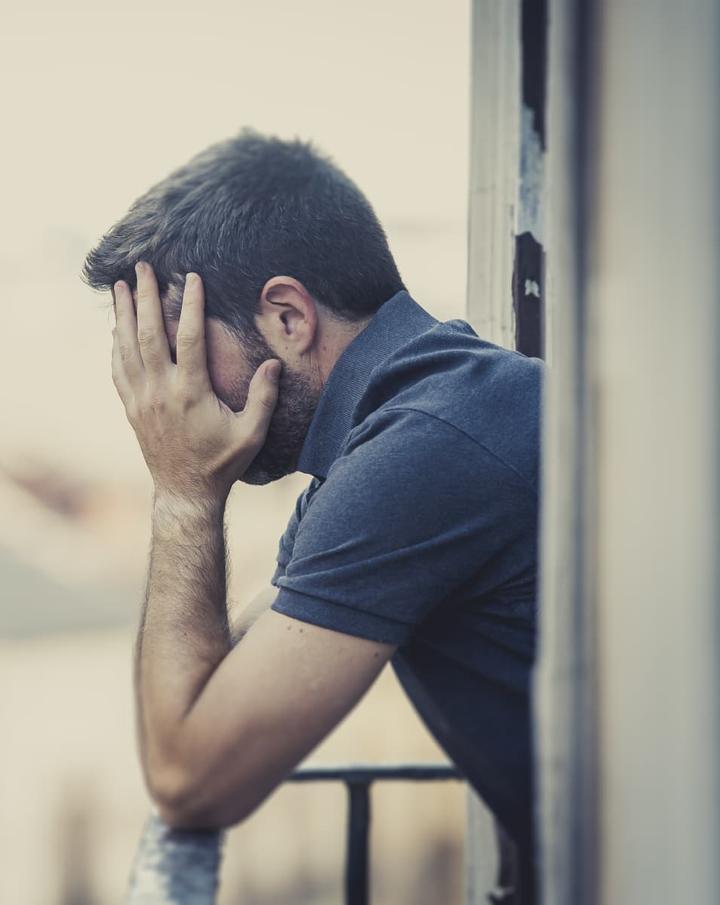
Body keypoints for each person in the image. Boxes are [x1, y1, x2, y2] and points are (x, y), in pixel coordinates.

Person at [83, 131, 541, 901]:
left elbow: (191, 776)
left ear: (288, 317)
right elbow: (213, 690)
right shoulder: (399, 432)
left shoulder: (425, 449)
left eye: (179, 348)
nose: (168, 389)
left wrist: (185, 492)